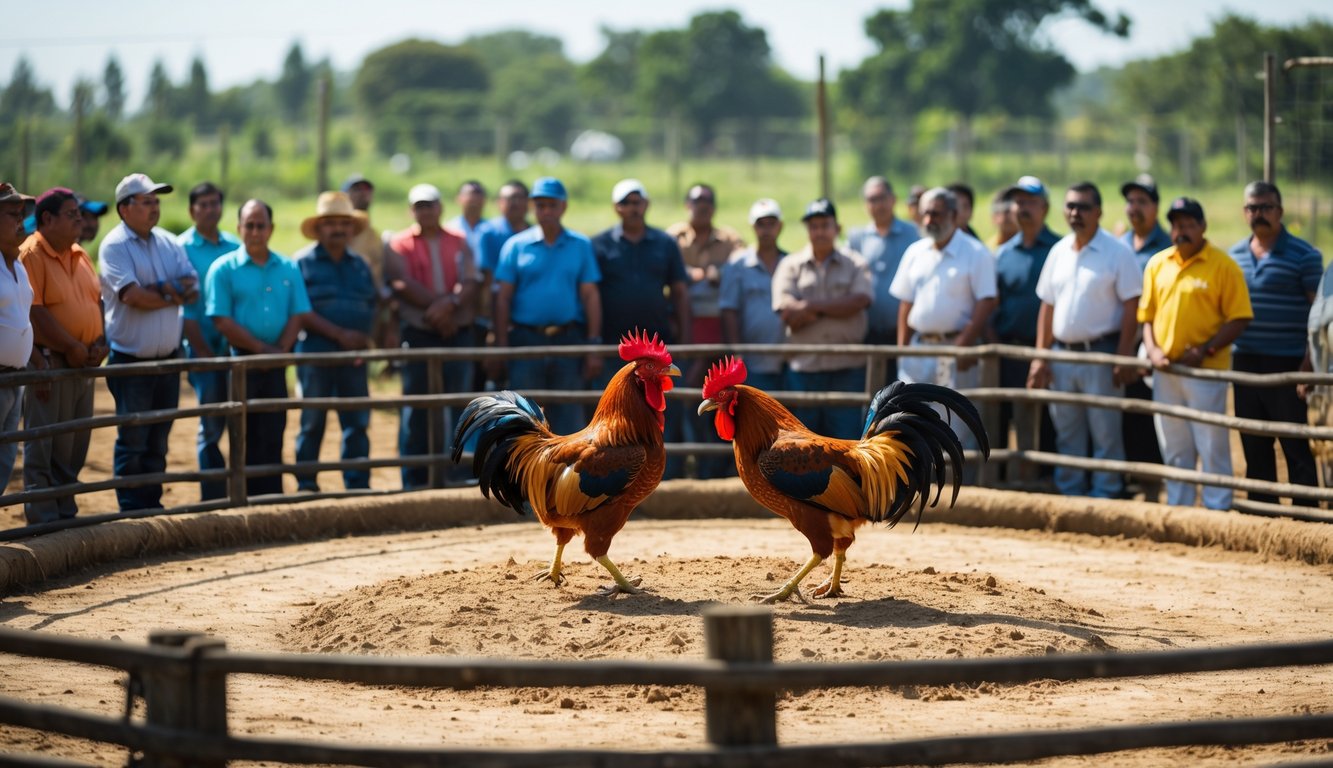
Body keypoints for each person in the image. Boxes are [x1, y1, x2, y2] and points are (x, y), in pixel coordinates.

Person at [1027, 183, 1141, 499]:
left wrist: (1123, 355)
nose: (1076, 213)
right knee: (1067, 429)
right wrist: (1041, 355)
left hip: (1101, 352)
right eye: (1071, 206)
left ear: (1099, 212)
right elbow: (1046, 306)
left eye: (1084, 207)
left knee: (1105, 428)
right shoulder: (1059, 251)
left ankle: (1106, 492)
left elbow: (1132, 305)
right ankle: (1071, 491)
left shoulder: (1118, 252)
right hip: (1063, 354)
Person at [1139, 197, 1252, 511]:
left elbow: (1240, 316)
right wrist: (1152, 350)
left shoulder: (1223, 265)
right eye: (1177, 224)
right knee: (1174, 444)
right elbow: (1146, 316)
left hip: (1205, 371)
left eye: (1189, 224)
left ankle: (1217, 507)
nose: (1183, 231)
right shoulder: (1157, 263)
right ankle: (1180, 507)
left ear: (1203, 227)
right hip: (1167, 370)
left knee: (1211, 441)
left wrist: (1207, 349)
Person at [99, 174, 198, 511]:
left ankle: (150, 505)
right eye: (146, 201)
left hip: (167, 359)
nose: (154, 207)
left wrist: (160, 291)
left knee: (158, 438)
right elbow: (133, 296)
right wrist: (172, 292)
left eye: (156, 201)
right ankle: (131, 509)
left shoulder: (170, 241)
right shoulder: (114, 245)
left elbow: (193, 289)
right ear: (125, 209)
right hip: (132, 359)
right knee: (134, 438)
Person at [206, 199, 311, 498]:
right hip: (242, 363)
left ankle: (272, 498)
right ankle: (244, 498)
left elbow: (298, 313)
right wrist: (263, 350)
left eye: (260, 225)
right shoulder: (223, 269)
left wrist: (279, 350)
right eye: (249, 225)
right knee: (243, 432)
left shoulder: (288, 267)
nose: (255, 231)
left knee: (274, 429)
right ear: (239, 228)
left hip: (276, 361)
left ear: (271, 229)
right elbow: (221, 320)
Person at [1227, 181, 1322, 506]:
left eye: (1266, 207)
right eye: (1253, 208)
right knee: (1253, 442)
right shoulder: (1234, 256)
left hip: (1288, 363)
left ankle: (1306, 516)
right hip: (1246, 361)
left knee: (1294, 443)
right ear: (1245, 213)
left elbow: (1319, 314)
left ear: (1280, 211)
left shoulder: (1305, 255)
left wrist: (1309, 363)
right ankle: (1261, 517)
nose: (1259, 214)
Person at [591, 179, 692, 476]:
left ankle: (668, 479)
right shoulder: (599, 245)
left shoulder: (665, 244)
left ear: (646, 205)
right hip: (615, 350)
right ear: (616, 208)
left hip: (659, 350)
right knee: (616, 422)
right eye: (626, 203)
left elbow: (680, 292)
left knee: (662, 418)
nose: (633, 208)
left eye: (637, 202)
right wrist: (594, 343)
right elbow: (591, 294)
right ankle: (616, 480)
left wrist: (685, 343)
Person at [21, 188, 109, 523]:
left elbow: (95, 303)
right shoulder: (33, 254)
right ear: (48, 219)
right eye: (72, 214)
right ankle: (45, 519)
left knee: (73, 445)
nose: (80, 220)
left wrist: (98, 341)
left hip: (81, 363)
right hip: (53, 362)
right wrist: (72, 346)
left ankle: (64, 513)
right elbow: (35, 312)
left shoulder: (79, 254)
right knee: (45, 445)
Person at [385, 183, 481, 489]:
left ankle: (457, 473)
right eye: (419, 206)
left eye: (430, 205)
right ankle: (414, 478)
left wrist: (449, 305)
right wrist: (442, 309)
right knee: (417, 406)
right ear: (412, 210)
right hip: (421, 332)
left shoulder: (460, 241)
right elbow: (400, 282)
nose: (425, 211)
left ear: (440, 207)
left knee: (459, 405)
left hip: (456, 330)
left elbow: (469, 281)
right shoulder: (399, 243)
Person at [890, 187, 997, 456]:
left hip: (955, 349)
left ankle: (960, 491)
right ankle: (918, 486)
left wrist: (964, 343)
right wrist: (902, 348)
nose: (928, 220)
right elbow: (906, 302)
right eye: (925, 213)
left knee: (956, 422)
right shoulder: (915, 251)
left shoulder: (975, 252)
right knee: (912, 418)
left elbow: (987, 301)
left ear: (953, 214)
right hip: (919, 348)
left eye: (935, 214)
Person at [492, 177, 602, 436]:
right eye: (540, 205)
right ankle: (524, 475)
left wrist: (593, 344)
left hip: (568, 338)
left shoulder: (580, 245)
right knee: (524, 417)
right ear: (533, 207)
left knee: (568, 412)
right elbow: (502, 298)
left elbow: (590, 296)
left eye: (552, 205)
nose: (546, 211)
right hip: (526, 338)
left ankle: (564, 475)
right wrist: (501, 344)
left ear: (563, 207)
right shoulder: (516, 246)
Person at [293, 192, 377, 493]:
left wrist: (364, 337)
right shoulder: (301, 263)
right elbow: (300, 311)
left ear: (352, 228)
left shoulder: (361, 265)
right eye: (330, 223)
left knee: (356, 421)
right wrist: (341, 335)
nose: (338, 229)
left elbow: (372, 304)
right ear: (319, 228)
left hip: (353, 355)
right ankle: (306, 483)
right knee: (312, 420)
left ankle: (357, 484)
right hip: (316, 353)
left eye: (344, 222)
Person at [772, 198, 873, 440]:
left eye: (825, 225)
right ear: (807, 230)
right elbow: (786, 312)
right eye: (814, 226)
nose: (819, 232)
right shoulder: (790, 265)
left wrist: (809, 306)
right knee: (804, 443)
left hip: (847, 368)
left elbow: (860, 301)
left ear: (837, 228)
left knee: (847, 442)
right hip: (804, 369)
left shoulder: (855, 263)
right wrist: (837, 308)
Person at [991, 175, 1060, 480]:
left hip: (1046, 348)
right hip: (1008, 348)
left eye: (1030, 201)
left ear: (1044, 208)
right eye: (1018, 202)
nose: (1023, 208)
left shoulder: (1058, 249)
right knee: (1003, 414)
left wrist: (1044, 351)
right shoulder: (1004, 253)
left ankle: (1044, 479)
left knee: (1046, 416)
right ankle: (1004, 480)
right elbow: (994, 303)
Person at [177, 181, 240, 501]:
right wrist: (200, 350)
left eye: (215, 203)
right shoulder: (180, 247)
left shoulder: (234, 246)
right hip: (200, 346)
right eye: (204, 204)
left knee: (237, 418)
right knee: (211, 423)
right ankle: (213, 495)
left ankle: (239, 490)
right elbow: (184, 307)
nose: (210, 209)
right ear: (192, 210)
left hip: (232, 347)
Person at [1117, 174, 1170, 497]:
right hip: (1121, 343)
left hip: (1152, 343)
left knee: (1150, 417)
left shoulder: (1167, 246)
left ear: (1155, 207)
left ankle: (1152, 485)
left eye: (1142, 202)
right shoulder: (1118, 244)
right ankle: (1129, 481)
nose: (1135, 208)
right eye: (1131, 201)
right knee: (1123, 416)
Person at [667, 183, 744, 387]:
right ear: (687, 205)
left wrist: (717, 273)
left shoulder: (729, 239)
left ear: (714, 207)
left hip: (719, 322)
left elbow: (744, 264)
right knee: (684, 377)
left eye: (707, 202)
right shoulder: (673, 237)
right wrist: (690, 274)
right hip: (680, 320)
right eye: (697, 201)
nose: (702, 206)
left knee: (718, 381)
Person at [720, 198, 788, 392]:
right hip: (752, 360)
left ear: (780, 226)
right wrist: (737, 352)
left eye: (771, 223)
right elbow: (729, 310)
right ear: (752, 226)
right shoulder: (738, 265)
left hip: (786, 358)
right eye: (761, 224)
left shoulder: (790, 262)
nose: (766, 230)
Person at [847, 176, 917, 355]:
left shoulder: (914, 235)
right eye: (872, 200)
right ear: (865, 204)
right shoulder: (856, 238)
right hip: (867, 333)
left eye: (882, 198)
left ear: (893, 199)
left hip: (905, 332)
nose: (878, 205)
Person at [0, 183, 39, 494]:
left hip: (15, 377)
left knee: (4, 459)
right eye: (13, 214)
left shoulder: (18, 265)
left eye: (22, 214)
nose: (21, 221)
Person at [342, 173, 396, 362]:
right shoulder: (338, 235)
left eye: (366, 189)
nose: (362, 194)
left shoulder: (374, 235)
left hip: (370, 304)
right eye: (356, 189)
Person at [447, 180, 488, 264]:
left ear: (484, 199)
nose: (474, 198)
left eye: (478, 193)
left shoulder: (491, 229)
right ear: (458, 198)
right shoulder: (450, 229)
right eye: (469, 194)